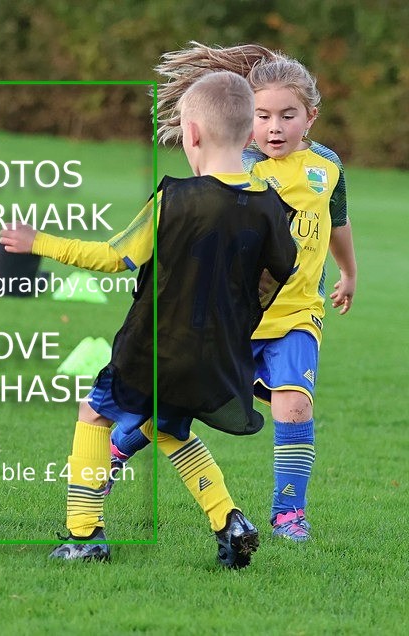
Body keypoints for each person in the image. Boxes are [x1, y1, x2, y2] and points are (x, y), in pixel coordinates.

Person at [0, 72, 298, 567]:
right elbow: (276, 274)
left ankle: (84, 533)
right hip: (215, 355)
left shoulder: (176, 199)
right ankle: (229, 520)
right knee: (170, 431)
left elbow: (115, 257)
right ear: (250, 136)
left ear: (192, 134)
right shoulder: (272, 207)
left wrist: (40, 243)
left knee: (94, 413)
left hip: (154, 346)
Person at [108, 43, 358, 543]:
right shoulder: (236, 165)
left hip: (297, 315)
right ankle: (118, 445)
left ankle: (289, 514)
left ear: (310, 117)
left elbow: (337, 223)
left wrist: (348, 273)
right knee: (178, 405)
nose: (274, 127)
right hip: (232, 318)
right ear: (248, 120)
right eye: (263, 115)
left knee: (294, 403)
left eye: (288, 115)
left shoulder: (327, 167)